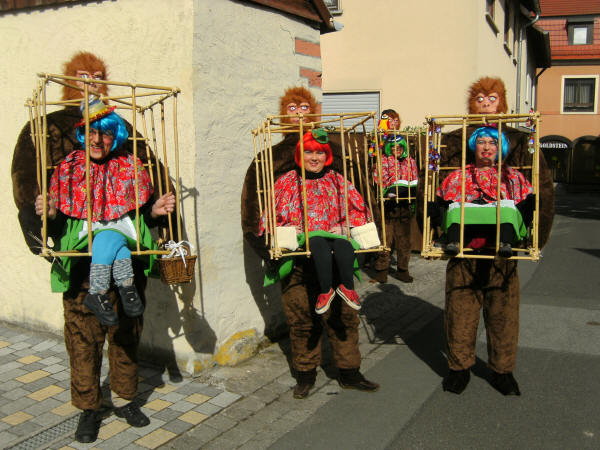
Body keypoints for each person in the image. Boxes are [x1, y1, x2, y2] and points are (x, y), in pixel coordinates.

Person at [12, 52, 171, 443]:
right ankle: (88, 407)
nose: (99, 140)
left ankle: (126, 398)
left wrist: (159, 216)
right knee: (83, 339)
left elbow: (145, 197)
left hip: (127, 261)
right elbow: (41, 198)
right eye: (83, 76)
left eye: (98, 76)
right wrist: (45, 217)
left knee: (127, 332)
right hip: (81, 262)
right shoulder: (57, 145)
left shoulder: (127, 158)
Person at [241, 86, 379, 399]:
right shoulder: (281, 175)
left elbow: (358, 203)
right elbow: (262, 212)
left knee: (344, 316)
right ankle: (305, 374)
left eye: (305, 107)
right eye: (293, 108)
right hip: (297, 257)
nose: (299, 113)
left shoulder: (336, 171)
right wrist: (269, 245)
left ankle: (349, 371)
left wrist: (363, 238)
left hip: (334, 251)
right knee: (300, 317)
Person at [436, 77, 554, 396]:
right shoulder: (453, 139)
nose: (486, 103)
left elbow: (540, 189)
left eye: (492, 98)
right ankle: (459, 367)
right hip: (464, 247)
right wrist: (438, 230)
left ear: (501, 101)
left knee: (503, 311)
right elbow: (435, 185)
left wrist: (532, 237)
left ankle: (502, 370)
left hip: (503, 248)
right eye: (479, 97)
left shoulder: (520, 140)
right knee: (460, 309)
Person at [37, 97, 175, 326]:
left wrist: (154, 212)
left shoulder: (128, 164)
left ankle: (107, 292)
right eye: (91, 132)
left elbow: (140, 216)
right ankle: (116, 288)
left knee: (115, 237)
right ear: (84, 134)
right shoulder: (72, 165)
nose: (97, 140)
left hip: (124, 231)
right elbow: (60, 224)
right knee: (108, 236)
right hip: (84, 238)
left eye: (106, 133)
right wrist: (53, 214)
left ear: (115, 135)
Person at [261, 129, 371, 314]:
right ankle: (325, 291)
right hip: (306, 245)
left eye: (320, 152)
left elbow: (360, 209)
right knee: (319, 244)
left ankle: (347, 288)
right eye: (308, 152)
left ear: (326, 156)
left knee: (344, 246)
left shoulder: (337, 179)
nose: (314, 158)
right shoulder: (287, 181)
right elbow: (270, 216)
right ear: (300, 154)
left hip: (335, 236)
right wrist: (287, 229)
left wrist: (346, 227)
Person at [436, 126, 534, 257]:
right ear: (474, 146)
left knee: (508, 210)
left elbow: (523, 205)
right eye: (481, 142)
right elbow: (444, 203)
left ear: (499, 147)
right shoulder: (458, 176)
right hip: (468, 226)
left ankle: (505, 243)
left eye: (492, 143)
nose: (486, 147)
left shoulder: (511, 175)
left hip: (497, 225)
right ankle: (454, 242)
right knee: (455, 209)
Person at [372, 109, 418, 283]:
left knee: (404, 239)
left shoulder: (410, 161)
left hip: (405, 204)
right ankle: (381, 270)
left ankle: (402, 269)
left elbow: (414, 177)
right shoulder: (384, 160)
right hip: (388, 203)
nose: (396, 150)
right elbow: (379, 177)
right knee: (385, 238)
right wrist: (388, 188)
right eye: (393, 147)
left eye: (399, 147)